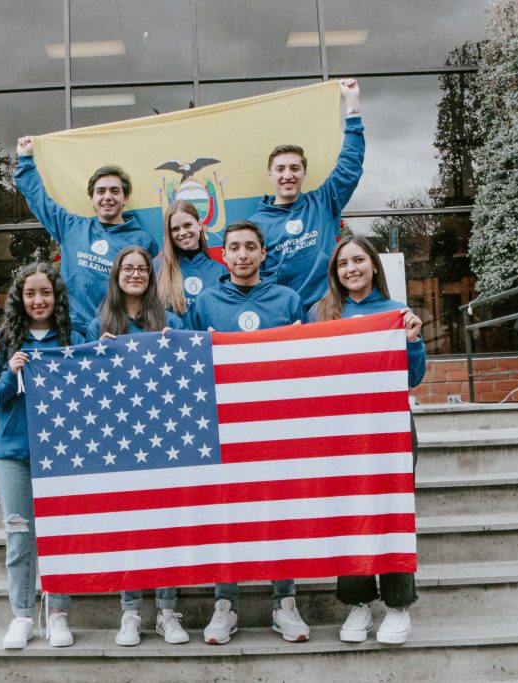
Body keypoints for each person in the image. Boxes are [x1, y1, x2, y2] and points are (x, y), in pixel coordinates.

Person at [186, 219, 309, 644]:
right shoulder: (205, 305)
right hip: (224, 425)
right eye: (234, 247)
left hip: (276, 425)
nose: (241, 255)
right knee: (227, 512)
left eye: (249, 247)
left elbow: (309, 360)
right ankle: (226, 603)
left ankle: (284, 601)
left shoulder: (289, 300)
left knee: (279, 510)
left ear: (262, 253)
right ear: (224, 254)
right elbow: (191, 364)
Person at [311, 234, 425, 645]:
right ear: (335, 273)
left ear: (374, 265)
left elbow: (413, 378)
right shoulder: (321, 314)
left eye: (358, 260)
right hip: (341, 432)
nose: (351, 269)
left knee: (391, 512)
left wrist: (411, 342)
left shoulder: (397, 313)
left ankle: (397, 606)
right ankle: (358, 603)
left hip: (390, 429)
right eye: (343, 264)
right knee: (350, 515)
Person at [85, 245, 188, 646]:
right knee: (130, 528)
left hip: (163, 439)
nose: (135, 274)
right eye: (127, 268)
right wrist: (99, 355)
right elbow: (86, 382)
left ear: (151, 276)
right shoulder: (97, 325)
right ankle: (130, 612)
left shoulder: (169, 321)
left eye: (142, 268)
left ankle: (167, 611)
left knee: (163, 528)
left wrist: (173, 346)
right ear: (116, 274)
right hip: (118, 441)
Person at [0, 262, 80, 650]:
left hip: (61, 455)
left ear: (57, 297)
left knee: (59, 537)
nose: (39, 300)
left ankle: (57, 613)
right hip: (13, 454)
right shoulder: (3, 341)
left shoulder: (72, 337)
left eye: (46, 292)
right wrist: (9, 373)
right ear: (20, 298)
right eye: (31, 293)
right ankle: (21, 615)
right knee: (20, 536)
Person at [15, 135, 159, 337]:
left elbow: (150, 288)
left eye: (114, 191)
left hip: (112, 332)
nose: (107, 197)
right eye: (100, 191)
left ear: (125, 198)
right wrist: (26, 160)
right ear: (91, 198)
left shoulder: (142, 240)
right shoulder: (71, 227)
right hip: (67, 331)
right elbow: (40, 201)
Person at [246, 78, 364, 310]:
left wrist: (352, 105)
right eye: (280, 169)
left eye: (294, 168)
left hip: (330, 310)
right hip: (284, 318)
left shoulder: (323, 202)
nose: (287, 175)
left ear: (304, 173)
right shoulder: (254, 225)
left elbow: (350, 165)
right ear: (270, 175)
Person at [155, 199, 227, 317]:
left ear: (199, 225)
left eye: (187, 225)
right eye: (175, 229)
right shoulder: (157, 268)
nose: (182, 232)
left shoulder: (220, 271)